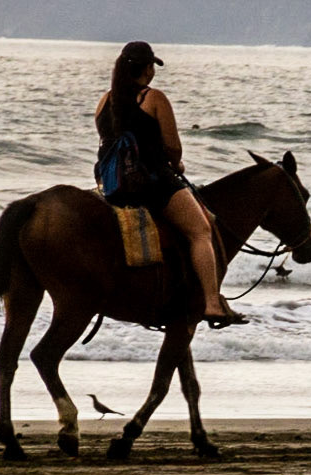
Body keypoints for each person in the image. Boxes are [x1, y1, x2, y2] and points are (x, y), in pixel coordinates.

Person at [93, 41, 245, 328]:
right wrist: (177, 165)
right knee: (201, 230)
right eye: (152, 66)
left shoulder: (104, 101)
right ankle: (212, 302)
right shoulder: (154, 98)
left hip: (110, 184)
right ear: (147, 69)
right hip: (149, 184)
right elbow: (173, 149)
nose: (153, 72)